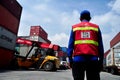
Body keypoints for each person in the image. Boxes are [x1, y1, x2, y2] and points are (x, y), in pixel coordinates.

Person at [67, 10, 104, 80]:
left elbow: (70, 45)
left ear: (80, 18)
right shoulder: (96, 27)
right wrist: (101, 61)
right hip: (93, 61)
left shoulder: (75, 28)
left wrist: (70, 60)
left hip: (78, 60)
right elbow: (100, 46)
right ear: (90, 18)